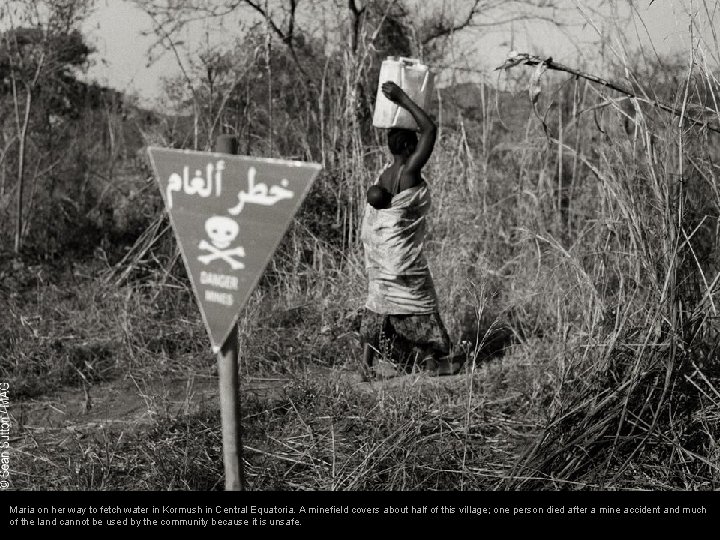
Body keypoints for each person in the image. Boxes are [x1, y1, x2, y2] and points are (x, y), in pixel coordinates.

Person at [359, 81, 463, 378]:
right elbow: (430, 129)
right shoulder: (408, 172)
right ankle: (434, 361)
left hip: (380, 256)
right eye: (415, 145)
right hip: (401, 258)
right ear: (408, 148)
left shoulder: (385, 173)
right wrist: (403, 98)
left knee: (378, 303)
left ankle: (367, 366)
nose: (421, 148)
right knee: (421, 301)